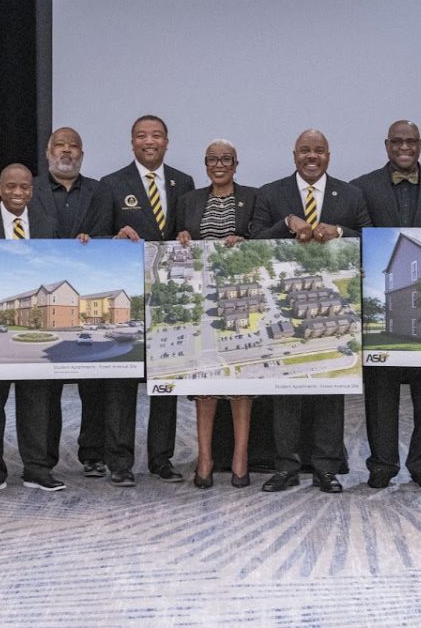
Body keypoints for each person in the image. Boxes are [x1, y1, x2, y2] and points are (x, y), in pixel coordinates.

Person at [249, 129, 372, 494]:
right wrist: (286, 224)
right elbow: (254, 239)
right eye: (305, 150)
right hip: (283, 306)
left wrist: (339, 231)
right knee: (285, 390)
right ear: (294, 155)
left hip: (335, 308)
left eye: (318, 150)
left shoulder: (350, 195)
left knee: (329, 389)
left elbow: (370, 237)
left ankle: (325, 468)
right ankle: (286, 466)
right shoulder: (271, 193)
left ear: (328, 156)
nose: (311, 156)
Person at [352, 120, 421, 490]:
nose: (404, 147)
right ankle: (382, 464)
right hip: (383, 300)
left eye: (410, 141)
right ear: (386, 145)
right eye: (397, 141)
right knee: (381, 392)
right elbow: (355, 239)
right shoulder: (362, 187)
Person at [103, 115, 195, 486]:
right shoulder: (112, 184)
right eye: (141, 136)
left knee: (165, 382)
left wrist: (187, 234)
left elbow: (184, 231)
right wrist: (114, 235)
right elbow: (100, 236)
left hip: (169, 298)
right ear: (132, 143)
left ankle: (161, 458)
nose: (149, 141)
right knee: (123, 383)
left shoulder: (184, 182)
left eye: (156, 135)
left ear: (167, 141)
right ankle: (119, 461)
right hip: (129, 298)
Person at [0, 164, 66, 494]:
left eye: (24, 187)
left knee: (36, 402)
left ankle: (36, 468)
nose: (18, 192)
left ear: (32, 191)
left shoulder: (48, 225)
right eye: (11, 186)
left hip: (31, 326)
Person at [29, 127, 115, 480]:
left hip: (90, 298)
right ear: (48, 152)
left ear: (83, 153)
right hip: (48, 296)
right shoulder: (29, 189)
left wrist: (99, 241)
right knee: (46, 387)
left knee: (93, 385)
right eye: (60, 145)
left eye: (74, 146)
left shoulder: (101, 191)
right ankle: (43, 458)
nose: (67, 151)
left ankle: (93, 453)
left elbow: (109, 235)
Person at [174, 139, 258, 489]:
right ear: (205, 164)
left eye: (226, 159)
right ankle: (205, 458)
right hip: (201, 301)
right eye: (212, 159)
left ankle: (240, 459)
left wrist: (247, 242)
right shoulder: (189, 200)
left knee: (240, 381)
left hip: (242, 298)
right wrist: (179, 237)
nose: (219, 164)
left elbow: (264, 240)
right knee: (204, 380)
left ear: (236, 164)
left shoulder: (253, 198)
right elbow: (173, 244)